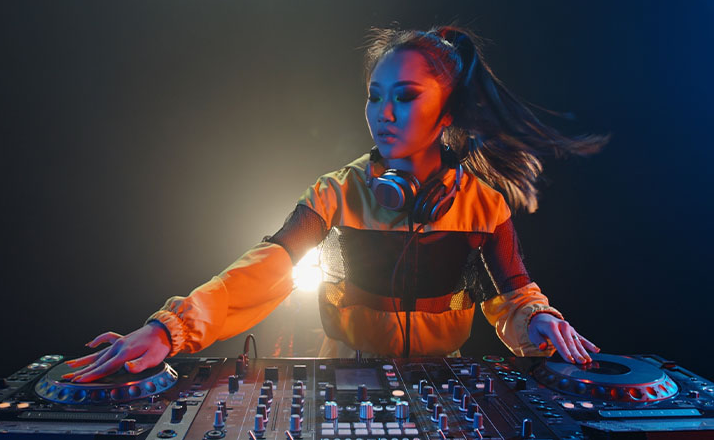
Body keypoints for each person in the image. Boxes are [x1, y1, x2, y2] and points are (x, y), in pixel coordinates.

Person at [62, 24, 607, 383]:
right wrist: (170, 329)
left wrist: (537, 322)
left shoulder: (484, 205)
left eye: (405, 97)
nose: (382, 113)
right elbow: (269, 265)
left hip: (441, 375)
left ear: (449, 114)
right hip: (341, 372)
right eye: (374, 96)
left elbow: (514, 294)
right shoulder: (336, 191)